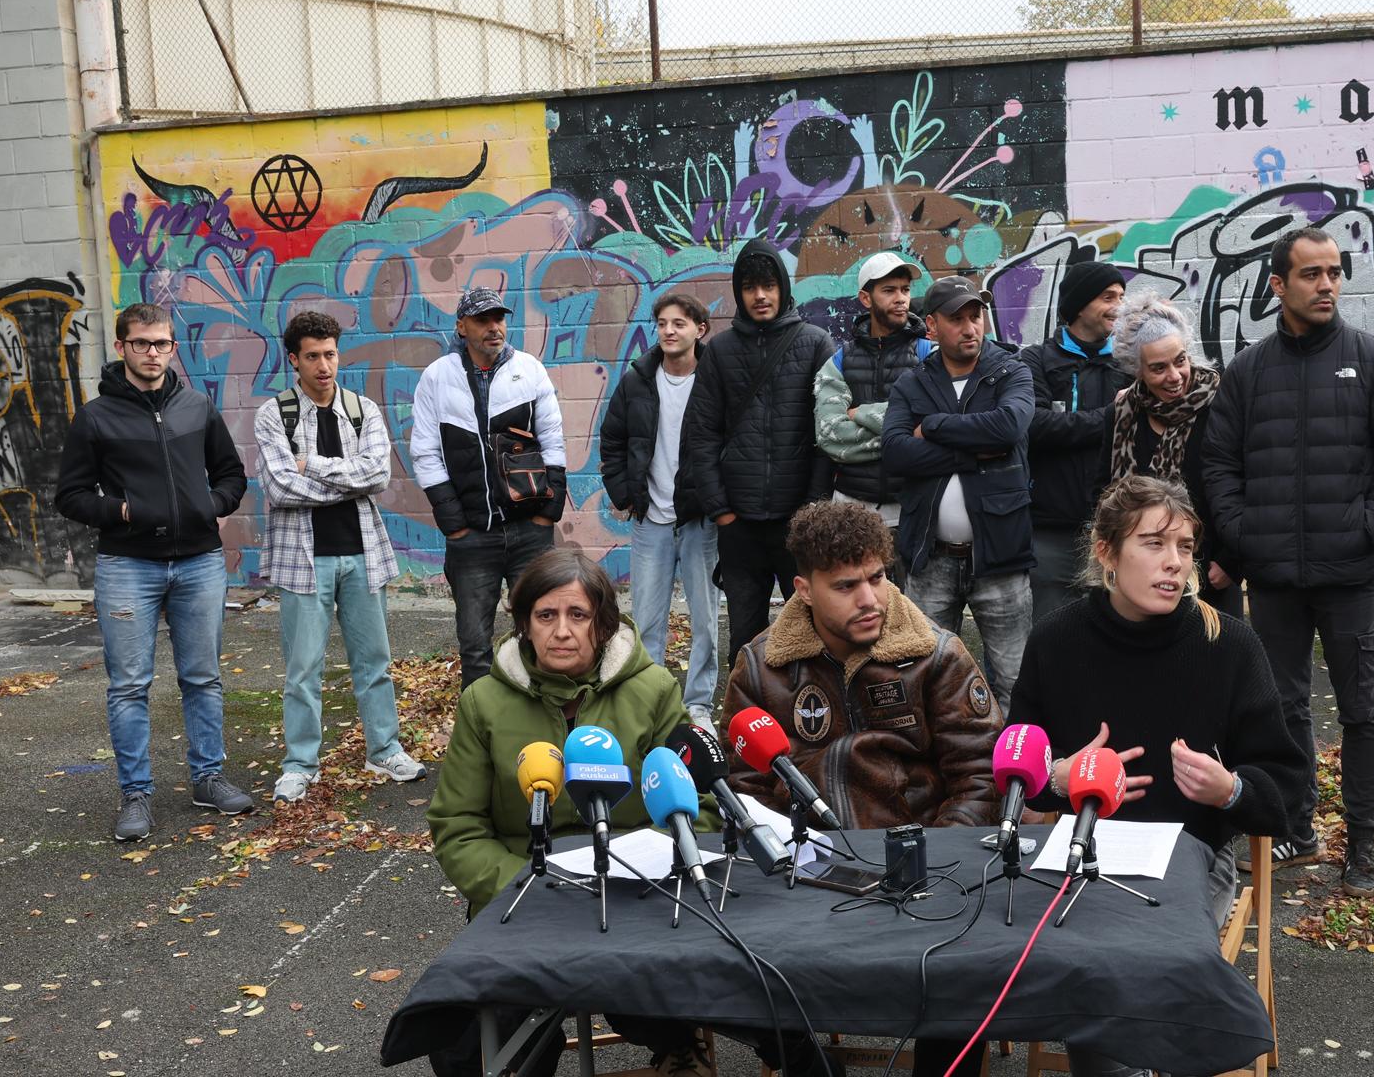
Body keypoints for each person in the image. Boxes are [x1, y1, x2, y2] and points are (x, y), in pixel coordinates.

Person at [1010, 475, 1307, 1077]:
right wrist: (1056, 779)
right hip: (1081, 855)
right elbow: (1020, 767)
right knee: (1087, 958)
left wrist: (1232, 790)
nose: (1174, 564)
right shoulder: (1055, 641)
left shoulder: (1228, 645)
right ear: (1106, 552)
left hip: (1192, 853)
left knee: (1145, 959)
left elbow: (1287, 787)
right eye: (1153, 544)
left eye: (1186, 548)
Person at [724, 498, 999, 1077]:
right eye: (846, 585)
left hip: (926, 873)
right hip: (808, 882)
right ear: (803, 589)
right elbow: (746, 796)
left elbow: (980, 779)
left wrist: (933, 862)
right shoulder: (759, 669)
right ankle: (812, 1064)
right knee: (728, 957)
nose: (870, 598)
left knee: (963, 973)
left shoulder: (937, 655)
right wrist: (795, 864)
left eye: (877, 577)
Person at [1198, 227, 1374, 895]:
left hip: (1350, 575)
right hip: (1274, 580)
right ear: (1278, 285)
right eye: (1311, 274)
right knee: (1283, 709)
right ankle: (1295, 828)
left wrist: (1367, 528)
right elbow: (1218, 462)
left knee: (1362, 711)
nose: (1326, 284)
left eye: (1333, 272)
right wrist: (1245, 536)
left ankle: (1362, 843)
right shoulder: (1248, 371)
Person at [426, 548, 720, 1077]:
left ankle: (677, 1042)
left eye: (577, 615)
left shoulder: (654, 691)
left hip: (636, 895)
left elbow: (697, 806)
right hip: (525, 896)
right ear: (524, 625)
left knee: (666, 994)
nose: (562, 631)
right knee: (465, 1037)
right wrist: (519, 887)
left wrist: (643, 877)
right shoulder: (483, 703)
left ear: (603, 626)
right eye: (546, 616)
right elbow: (458, 826)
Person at [55, 301, 253, 841]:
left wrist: (212, 504)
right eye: (141, 343)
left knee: (203, 678)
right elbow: (69, 495)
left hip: (199, 563)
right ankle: (136, 794)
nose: (152, 353)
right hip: (128, 566)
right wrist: (122, 511)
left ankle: (207, 779)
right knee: (129, 686)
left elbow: (231, 474)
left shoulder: (196, 406)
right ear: (121, 347)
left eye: (161, 343)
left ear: (172, 346)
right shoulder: (96, 418)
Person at [255, 311, 426, 804]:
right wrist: (343, 482)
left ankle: (384, 749)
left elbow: (377, 476)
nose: (324, 365)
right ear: (295, 359)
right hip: (303, 560)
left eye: (330, 353)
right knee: (302, 669)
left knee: (375, 661)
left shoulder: (362, 410)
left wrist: (315, 466)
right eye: (312, 356)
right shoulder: (276, 415)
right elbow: (280, 486)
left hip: (363, 554)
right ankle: (299, 764)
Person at [881, 277, 1036, 713]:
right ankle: (939, 774)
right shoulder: (912, 384)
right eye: (957, 318)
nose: (971, 327)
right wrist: (973, 453)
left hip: (1001, 557)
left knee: (1014, 680)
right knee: (925, 678)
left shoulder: (1011, 370)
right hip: (929, 558)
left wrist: (931, 427)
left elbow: (1008, 427)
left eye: (976, 316)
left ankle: (1014, 777)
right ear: (931, 326)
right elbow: (894, 452)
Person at [679, 239, 837, 666]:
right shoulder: (721, 352)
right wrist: (721, 510)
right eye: (750, 287)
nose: (760, 296)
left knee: (811, 636)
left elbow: (827, 434)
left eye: (768, 285)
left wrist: (812, 509)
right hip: (740, 527)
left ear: (783, 287)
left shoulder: (815, 344)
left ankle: (810, 724)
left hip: (798, 525)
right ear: (739, 292)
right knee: (745, 643)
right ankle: (744, 726)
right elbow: (702, 433)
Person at [410, 286, 568, 689]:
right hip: (472, 538)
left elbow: (553, 440)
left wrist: (545, 514)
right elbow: (426, 452)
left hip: (529, 531)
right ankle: (480, 729)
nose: (494, 327)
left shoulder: (529, 369)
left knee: (541, 634)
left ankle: (545, 714)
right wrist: (454, 524)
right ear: (462, 326)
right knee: (475, 645)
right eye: (483, 320)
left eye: (499, 318)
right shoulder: (437, 377)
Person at [599, 292, 722, 725]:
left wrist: (717, 501)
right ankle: (651, 704)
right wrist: (623, 494)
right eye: (663, 323)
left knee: (705, 619)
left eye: (679, 323)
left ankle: (699, 705)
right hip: (650, 519)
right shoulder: (637, 379)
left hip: (698, 520)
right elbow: (612, 440)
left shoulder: (714, 378)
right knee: (647, 621)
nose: (669, 331)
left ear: (699, 330)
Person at [1100, 293, 1240, 618]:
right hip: (1140, 579)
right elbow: (1104, 492)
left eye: (1180, 360)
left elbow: (1244, 485)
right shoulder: (1121, 413)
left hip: (1212, 575)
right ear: (1138, 371)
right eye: (1159, 368)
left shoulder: (1221, 408)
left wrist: (1232, 561)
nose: (1175, 376)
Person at [1018, 261, 1130, 620]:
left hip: (1119, 531)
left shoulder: (1130, 361)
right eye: (1108, 297)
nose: (1119, 306)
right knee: (1052, 639)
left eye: (1122, 296)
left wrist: (1071, 426)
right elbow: (1034, 425)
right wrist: (1111, 416)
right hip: (1051, 532)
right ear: (1080, 305)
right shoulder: (1034, 360)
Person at [814, 251, 930, 545]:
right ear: (866, 298)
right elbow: (829, 435)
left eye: (905, 290)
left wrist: (860, 413)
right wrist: (903, 436)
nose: (901, 298)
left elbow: (934, 423)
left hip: (913, 506)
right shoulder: (839, 361)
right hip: (851, 508)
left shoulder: (929, 356)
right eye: (889, 291)